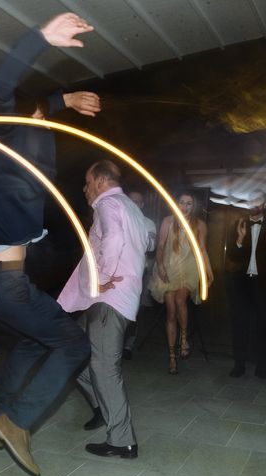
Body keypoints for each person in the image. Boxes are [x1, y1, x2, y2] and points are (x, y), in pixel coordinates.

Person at [0, 13, 96, 476]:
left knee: (32, 340)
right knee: (75, 346)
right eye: (37, 124)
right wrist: (40, 38)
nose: (44, 128)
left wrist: (62, 99)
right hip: (2, 284)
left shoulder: (20, 161)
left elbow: (38, 114)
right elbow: (0, 86)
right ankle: (18, 422)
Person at [58, 160, 148, 459]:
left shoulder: (108, 204)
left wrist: (104, 277)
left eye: (87, 181)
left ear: (99, 180)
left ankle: (122, 440)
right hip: (108, 301)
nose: (84, 188)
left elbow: (113, 240)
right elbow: (143, 240)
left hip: (110, 300)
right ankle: (101, 407)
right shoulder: (130, 207)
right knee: (74, 353)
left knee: (104, 368)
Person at [148, 192, 214, 375]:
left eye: (189, 203)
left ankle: (184, 339)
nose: (185, 207)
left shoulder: (200, 224)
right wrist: (160, 266)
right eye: (182, 202)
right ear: (176, 203)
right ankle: (171, 357)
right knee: (170, 312)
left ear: (194, 206)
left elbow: (202, 250)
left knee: (180, 301)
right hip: (169, 267)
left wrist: (208, 272)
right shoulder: (168, 222)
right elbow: (160, 246)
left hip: (189, 268)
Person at [226, 191, 266, 379]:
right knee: (240, 324)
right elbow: (232, 256)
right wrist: (239, 239)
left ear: (265, 204)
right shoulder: (238, 224)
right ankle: (239, 364)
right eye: (252, 200)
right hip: (241, 283)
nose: (254, 204)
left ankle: (261, 367)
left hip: (263, 284)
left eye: (258, 201)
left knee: (263, 326)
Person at [123, 190, 157, 359]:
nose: (134, 204)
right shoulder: (118, 220)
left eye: (138, 202)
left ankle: (128, 345)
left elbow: (150, 245)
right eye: (131, 201)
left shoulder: (148, 223)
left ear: (142, 205)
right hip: (118, 274)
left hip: (138, 274)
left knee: (133, 310)